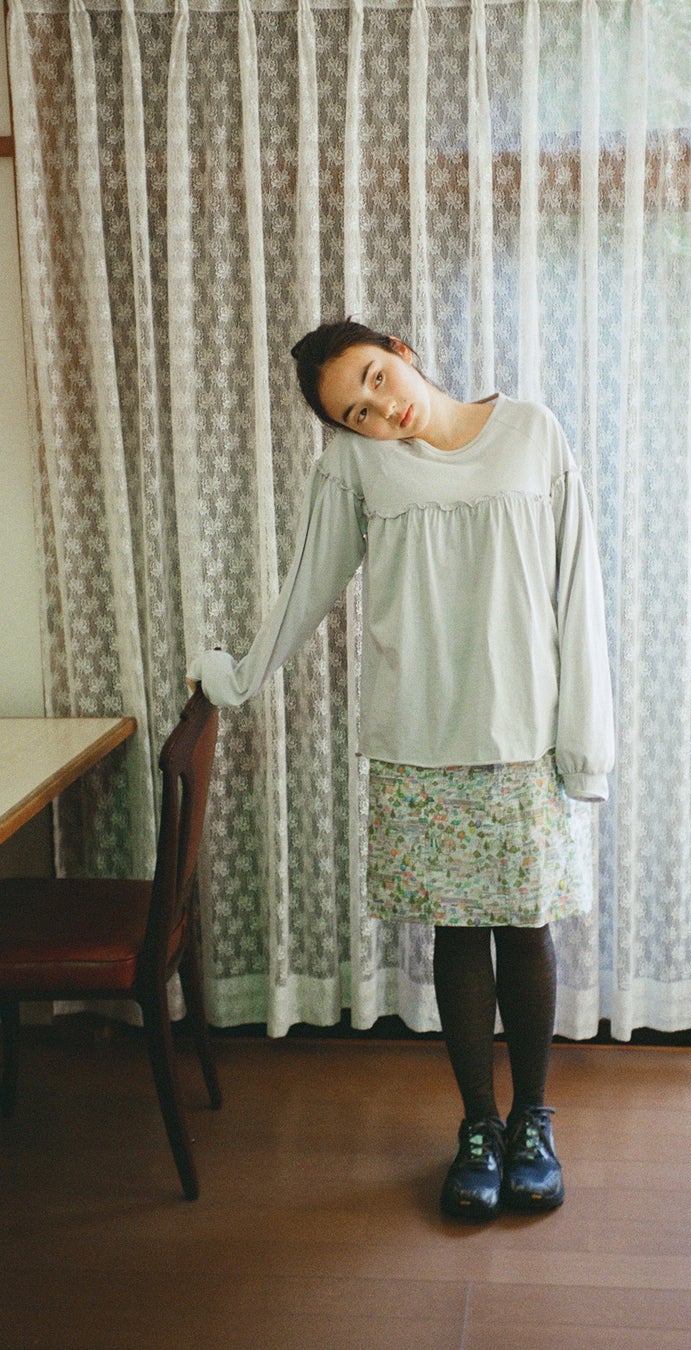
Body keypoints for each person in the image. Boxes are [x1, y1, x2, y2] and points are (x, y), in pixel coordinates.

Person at [189, 318, 614, 1221]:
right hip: (418, 737)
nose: (382, 410)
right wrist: (239, 678)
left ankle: (533, 1123)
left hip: (522, 737)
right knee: (456, 934)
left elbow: (578, 593)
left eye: (377, 379)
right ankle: (478, 1126)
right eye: (358, 410)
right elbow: (306, 584)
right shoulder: (358, 466)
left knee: (526, 929)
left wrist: (585, 742)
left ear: (402, 351)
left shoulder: (532, 434)